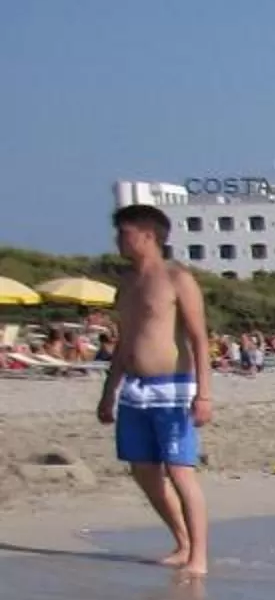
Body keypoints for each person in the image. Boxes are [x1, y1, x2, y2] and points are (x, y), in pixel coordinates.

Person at [97, 202, 215, 573]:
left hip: (174, 388)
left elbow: (199, 339)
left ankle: (199, 556)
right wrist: (108, 391)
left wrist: (204, 395)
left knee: (180, 470)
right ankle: (181, 542)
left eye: (125, 232)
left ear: (150, 235)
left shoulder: (178, 279)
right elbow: (125, 342)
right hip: (135, 389)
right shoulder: (128, 284)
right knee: (143, 471)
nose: (119, 240)